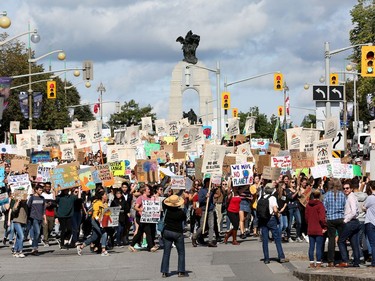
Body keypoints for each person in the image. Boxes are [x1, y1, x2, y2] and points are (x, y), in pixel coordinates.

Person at [259, 184, 288, 264]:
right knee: (277, 238)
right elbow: (275, 209)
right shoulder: (272, 198)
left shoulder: (261, 197)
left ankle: (266, 258)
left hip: (263, 219)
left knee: (265, 240)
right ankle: (281, 256)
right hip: (271, 219)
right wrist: (278, 214)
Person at [160, 195, 187, 278]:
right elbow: (185, 219)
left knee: (166, 253)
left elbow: (163, 202)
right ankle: (181, 271)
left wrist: (168, 198)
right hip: (177, 232)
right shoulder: (181, 212)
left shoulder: (166, 210)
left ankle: (164, 272)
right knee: (181, 252)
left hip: (167, 231)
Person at [77, 191, 110, 256]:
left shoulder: (105, 204)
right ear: (102, 196)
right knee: (104, 234)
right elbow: (95, 214)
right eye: (105, 195)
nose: (106, 196)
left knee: (94, 237)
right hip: (95, 221)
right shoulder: (97, 203)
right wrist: (99, 220)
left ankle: (81, 247)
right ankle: (103, 250)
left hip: (102, 221)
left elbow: (107, 213)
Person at [336, 180, 361, 267]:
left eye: (347, 188)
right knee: (354, 243)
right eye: (344, 188)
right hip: (355, 222)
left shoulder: (351, 197)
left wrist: (345, 220)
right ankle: (356, 262)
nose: (345, 190)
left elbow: (354, 212)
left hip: (351, 222)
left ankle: (345, 260)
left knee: (341, 241)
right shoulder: (350, 197)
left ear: (351, 189)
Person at [128, 185, 159, 252]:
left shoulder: (150, 197)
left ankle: (131, 245)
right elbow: (135, 207)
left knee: (140, 232)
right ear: (144, 191)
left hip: (148, 217)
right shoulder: (140, 198)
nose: (149, 191)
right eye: (148, 189)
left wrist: (155, 199)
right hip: (141, 217)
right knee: (148, 231)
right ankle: (151, 246)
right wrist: (140, 209)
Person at [323, 178, 346, 267]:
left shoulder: (327, 195)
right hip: (340, 218)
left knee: (331, 240)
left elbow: (324, 208)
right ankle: (343, 258)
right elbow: (345, 205)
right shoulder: (342, 195)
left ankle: (330, 261)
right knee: (341, 240)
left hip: (330, 219)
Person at [305, 189, 327, 268]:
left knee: (311, 246)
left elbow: (306, 218)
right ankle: (318, 263)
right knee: (319, 247)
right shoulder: (320, 205)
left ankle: (311, 263)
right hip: (318, 228)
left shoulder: (308, 205)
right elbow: (322, 218)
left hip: (310, 228)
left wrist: (309, 223)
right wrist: (324, 226)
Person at [192, 178, 216, 248]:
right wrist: (206, 197)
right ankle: (194, 237)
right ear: (206, 183)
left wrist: (213, 190)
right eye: (209, 182)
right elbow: (200, 200)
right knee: (202, 227)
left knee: (211, 226)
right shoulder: (202, 191)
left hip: (210, 210)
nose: (210, 184)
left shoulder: (211, 190)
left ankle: (210, 241)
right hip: (204, 210)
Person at [28, 184, 47, 256]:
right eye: (40, 190)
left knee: (37, 233)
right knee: (38, 232)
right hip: (33, 218)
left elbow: (43, 210)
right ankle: (34, 248)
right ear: (36, 190)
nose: (41, 191)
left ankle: (34, 248)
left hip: (40, 218)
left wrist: (44, 219)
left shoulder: (42, 198)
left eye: (42, 190)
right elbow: (28, 207)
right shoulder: (32, 198)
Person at [364, 180, 375, 267]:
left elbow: (364, 207)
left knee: (372, 243)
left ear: (371, 188)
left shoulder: (370, 198)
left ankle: (374, 262)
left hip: (370, 222)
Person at [41, 182, 56, 247]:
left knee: (51, 227)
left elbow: (55, 201)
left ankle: (45, 236)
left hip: (52, 213)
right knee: (45, 227)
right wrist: (45, 205)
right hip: (45, 213)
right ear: (44, 187)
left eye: (49, 187)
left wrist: (54, 191)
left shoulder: (52, 194)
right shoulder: (42, 194)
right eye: (46, 187)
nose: (48, 188)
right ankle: (46, 241)